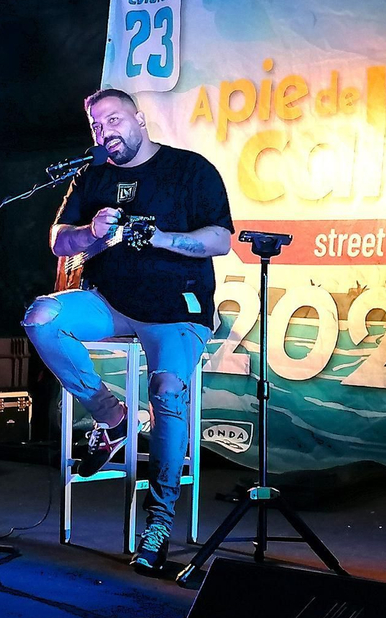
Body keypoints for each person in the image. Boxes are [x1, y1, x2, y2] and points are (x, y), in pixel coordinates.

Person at [23, 88, 232, 575]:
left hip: (176, 309)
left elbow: (220, 239)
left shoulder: (189, 169)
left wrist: (159, 237)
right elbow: (60, 242)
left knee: (166, 390)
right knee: (41, 318)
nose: (106, 131)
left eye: (114, 120)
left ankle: (157, 523)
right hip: (111, 302)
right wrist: (92, 233)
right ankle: (114, 417)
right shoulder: (93, 173)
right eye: (97, 125)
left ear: (139, 118)